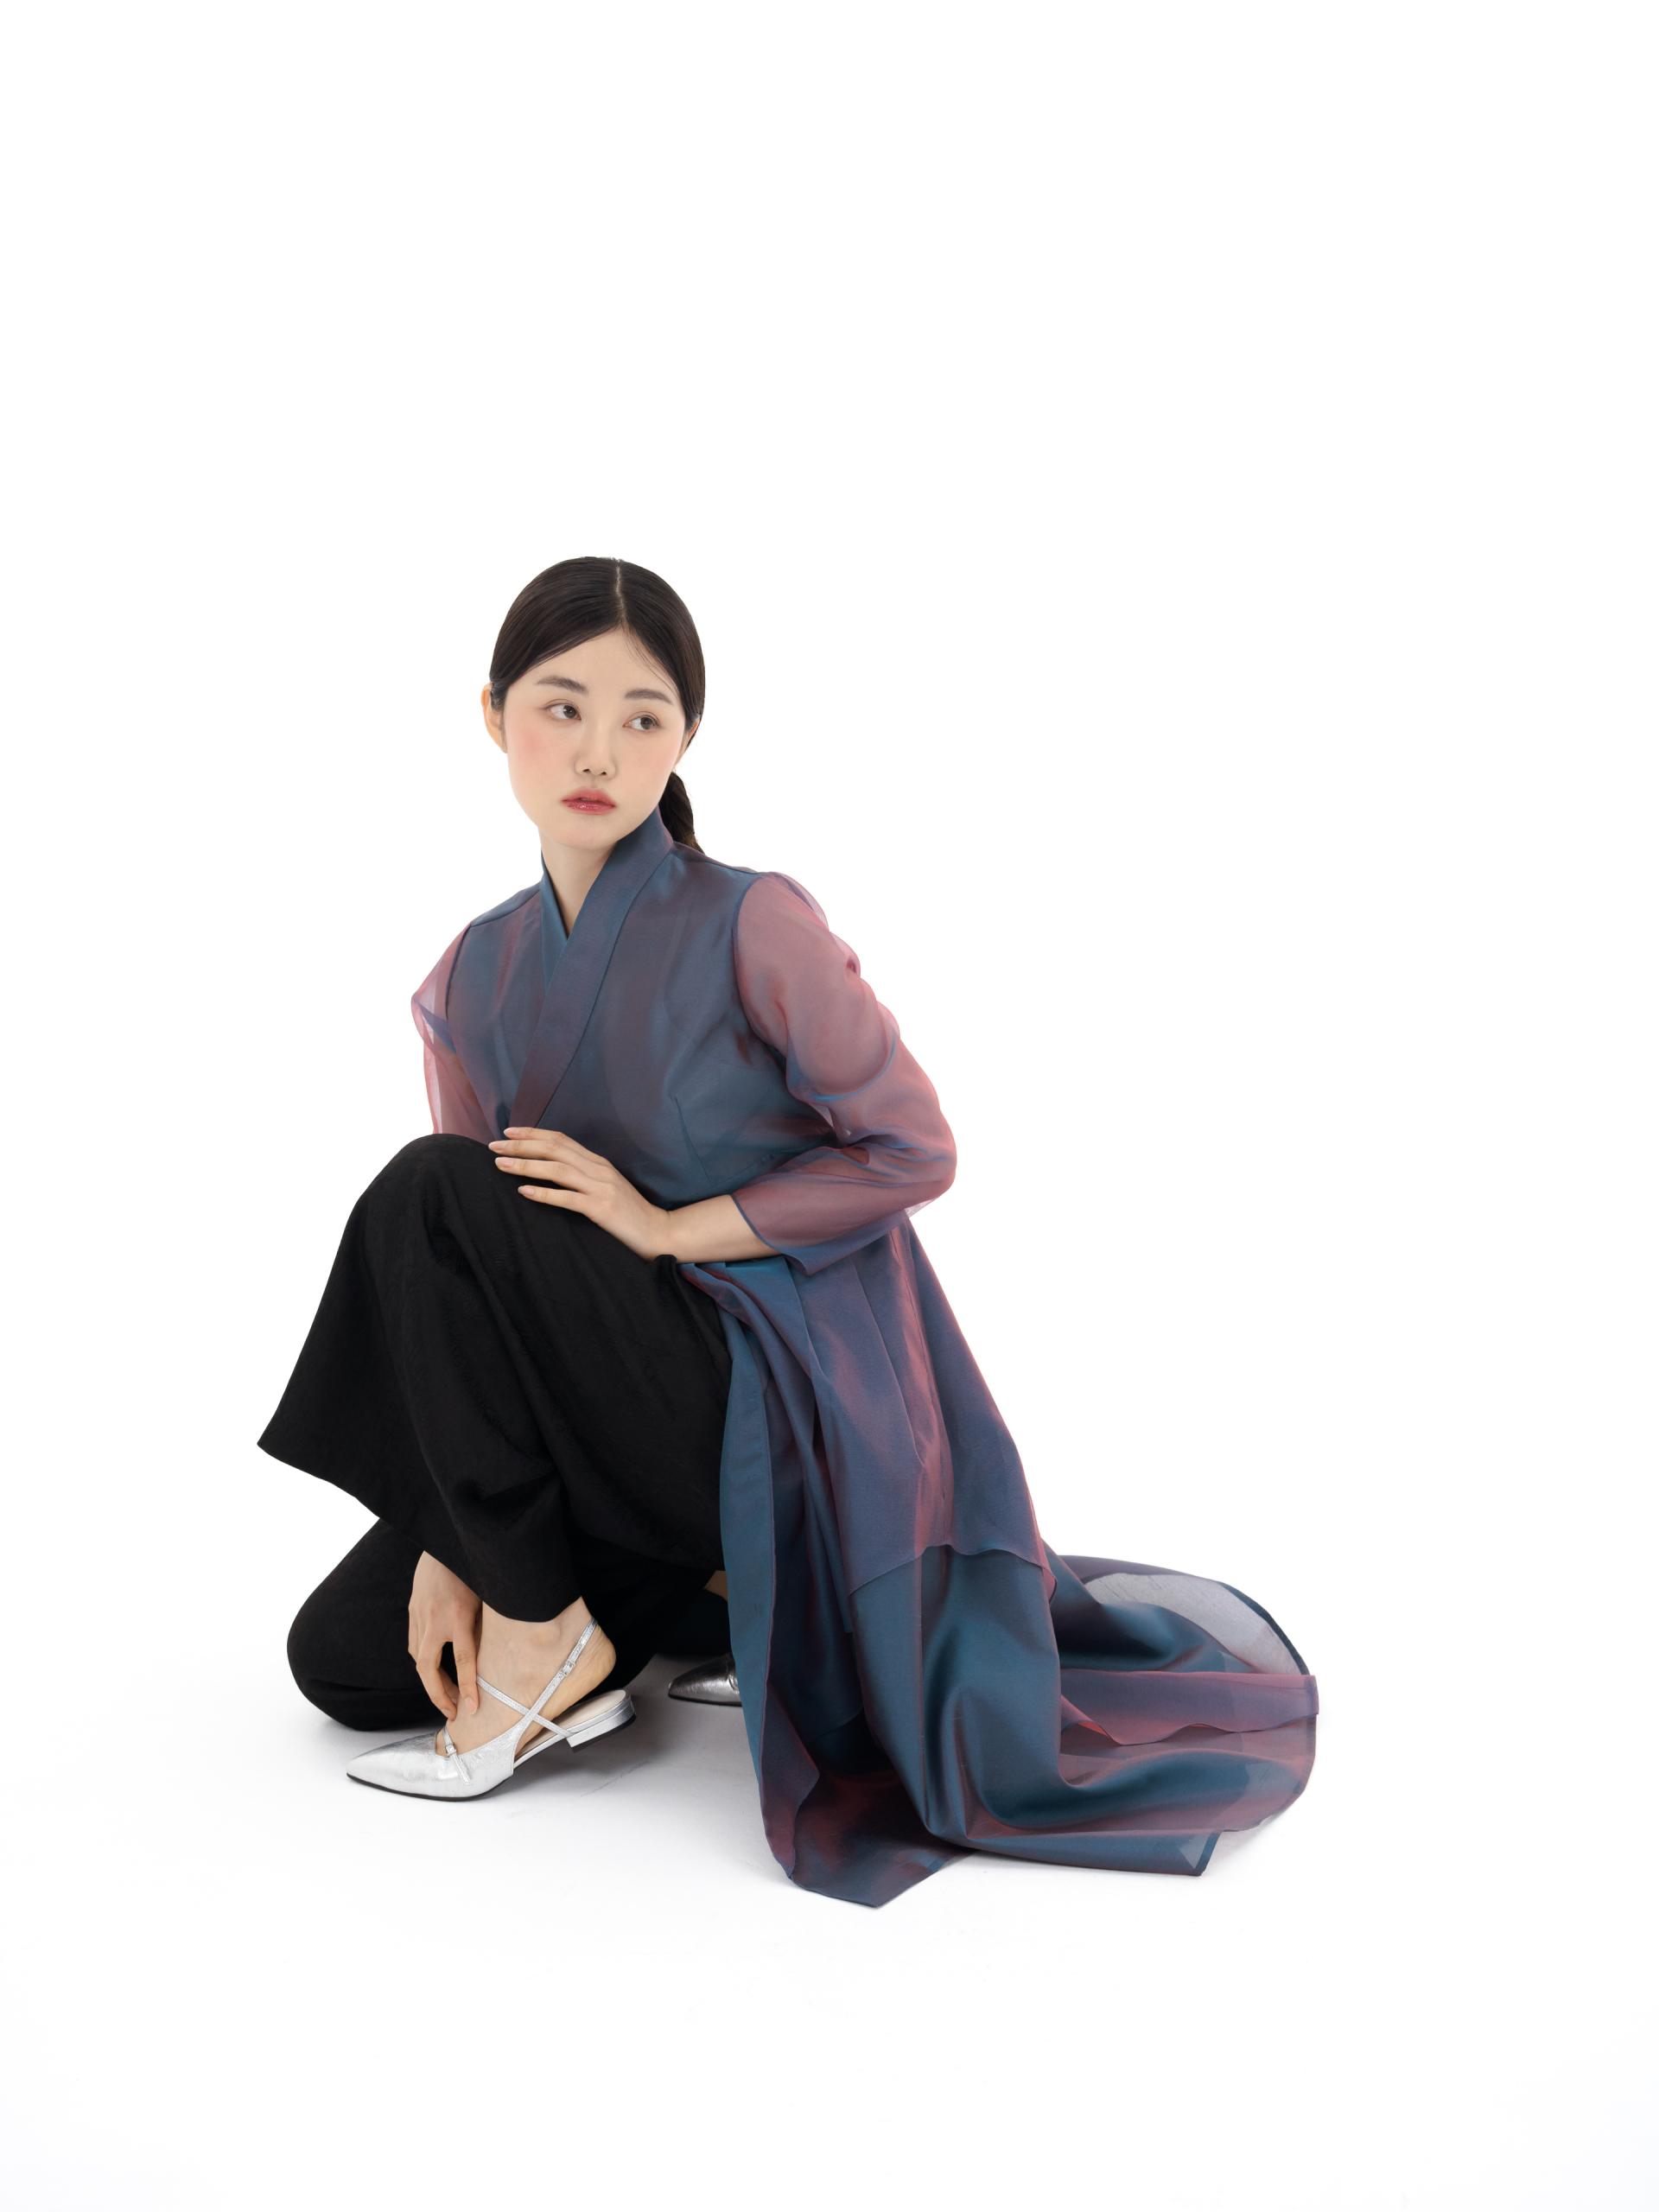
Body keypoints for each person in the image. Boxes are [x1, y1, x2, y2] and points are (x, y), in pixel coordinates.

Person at [259, 555, 1320, 1908]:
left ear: (684, 738)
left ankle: (558, 1639)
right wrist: (446, 1528)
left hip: (765, 1405)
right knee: (344, 1663)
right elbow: (461, 1302)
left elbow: (912, 1146)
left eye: (643, 716)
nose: (599, 752)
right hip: (607, 1430)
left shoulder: (752, 921)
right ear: (493, 716)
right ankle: (694, 1603)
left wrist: (666, 1227)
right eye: (562, 707)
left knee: (427, 1186)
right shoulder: (471, 973)